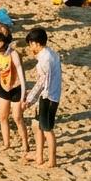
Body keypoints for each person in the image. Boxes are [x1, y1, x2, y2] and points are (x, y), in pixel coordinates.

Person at [24, 27, 62, 168]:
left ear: (36, 43)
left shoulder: (45, 59)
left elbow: (41, 83)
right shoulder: (50, 53)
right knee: (37, 125)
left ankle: (52, 161)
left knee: (47, 129)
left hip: (49, 97)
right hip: (49, 94)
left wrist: (29, 99)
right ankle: (39, 156)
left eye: (31, 44)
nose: (30, 47)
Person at [0, 31, 29, 152]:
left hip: (16, 88)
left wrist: (23, 96)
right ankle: (6, 143)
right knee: (3, 117)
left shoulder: (14, 54)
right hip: (3, 87)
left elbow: (22, 76)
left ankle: (25, 143)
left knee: (17, 118)